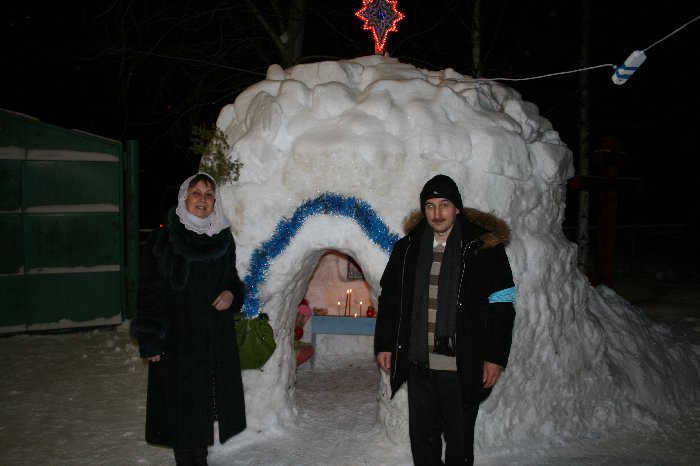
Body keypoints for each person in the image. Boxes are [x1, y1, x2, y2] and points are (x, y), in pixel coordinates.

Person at [374, 174, 516, 466]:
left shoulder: (483, 248)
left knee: (459, 442)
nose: (437, 213)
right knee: (423, 440)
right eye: (430, 205)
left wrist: (494, 357)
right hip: (419, 362)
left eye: (444, 205)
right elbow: (390, 299)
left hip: (461, 362)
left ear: (457, 208)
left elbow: (502, 305)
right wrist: (385, 343)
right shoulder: (408, 248)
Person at [130, 172, 246, 466]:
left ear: (215, 201)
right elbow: (149, 290)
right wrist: (149, 339)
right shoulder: (164, 238)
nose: (202, 200)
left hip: (211, 339)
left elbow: (232, 279)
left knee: (201, 410)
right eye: (196, 193)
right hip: (176, 340)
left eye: (209, 194)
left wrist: (231, 293)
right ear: (185, 197)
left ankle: (200, 460)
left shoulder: (223, 238)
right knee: (181, 412)